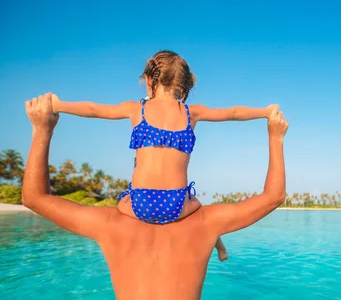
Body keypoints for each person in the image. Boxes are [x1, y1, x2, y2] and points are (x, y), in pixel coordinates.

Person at [22, 93, 288, 300]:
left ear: (137, 171)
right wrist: (275, 137)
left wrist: (42, 130)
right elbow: (273, 197)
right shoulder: (207, 223)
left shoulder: (109, 224)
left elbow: (34, 198)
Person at [51, 50, 275, 262]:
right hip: (176, 205)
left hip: (139, 204)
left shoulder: (135, 109)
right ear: (185, 86)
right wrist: (265, 112)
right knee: (201, 210)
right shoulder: (191, 113)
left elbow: (93, 109)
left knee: (122, 201)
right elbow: (233, 113)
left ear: (149, 81)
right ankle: (220, 247)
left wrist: (58, 105)